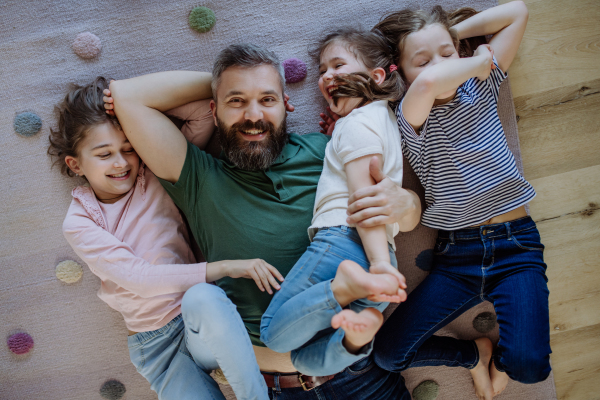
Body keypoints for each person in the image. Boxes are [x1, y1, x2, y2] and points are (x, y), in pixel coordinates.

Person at [103, 44, 453, 399]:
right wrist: (220, 82)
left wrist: (406, 202)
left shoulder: (325, 149)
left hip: (359, 374)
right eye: (236, 101)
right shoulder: (197, 176)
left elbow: (403, 222)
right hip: (269, 387)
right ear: (214, 109)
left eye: (267, 99)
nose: (252, 115)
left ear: (287, 103)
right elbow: (128, 97)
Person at [48, 77, 283, 400]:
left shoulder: (155, 171)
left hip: (202, 319)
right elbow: (139, 279)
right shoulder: (80, 221)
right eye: (105, 154)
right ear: (75, 164)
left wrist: (125, 96)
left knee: (204, 297)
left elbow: (203, 113)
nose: (121, 163)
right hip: (156, 344)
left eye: (128, 149)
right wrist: (225, 267)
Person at [371, 2, 551, 399]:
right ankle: (472, 354)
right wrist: (473, 61)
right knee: (386, 353)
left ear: (457, 48)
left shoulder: (481, 86)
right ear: (401, 72)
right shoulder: (410, 114)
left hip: (516, 244)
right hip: (458, 256)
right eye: (422, 60)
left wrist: (459, 37)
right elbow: (426, 86)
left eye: (446, 53)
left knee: (530, 366)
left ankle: (500, 356)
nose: (437, 66)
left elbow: (518, 12)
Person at [260, 28, 417, 377]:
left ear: (376, 76)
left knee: (273, 334)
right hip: (380, 260)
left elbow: (364, 201)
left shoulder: (357, 125)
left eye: (338, 65)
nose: (327, 75)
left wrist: (377, 264)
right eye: (321, 71)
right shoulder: (382, 119)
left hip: (348, 242)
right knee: (302, 360)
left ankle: (343, 289)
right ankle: (356, 338)